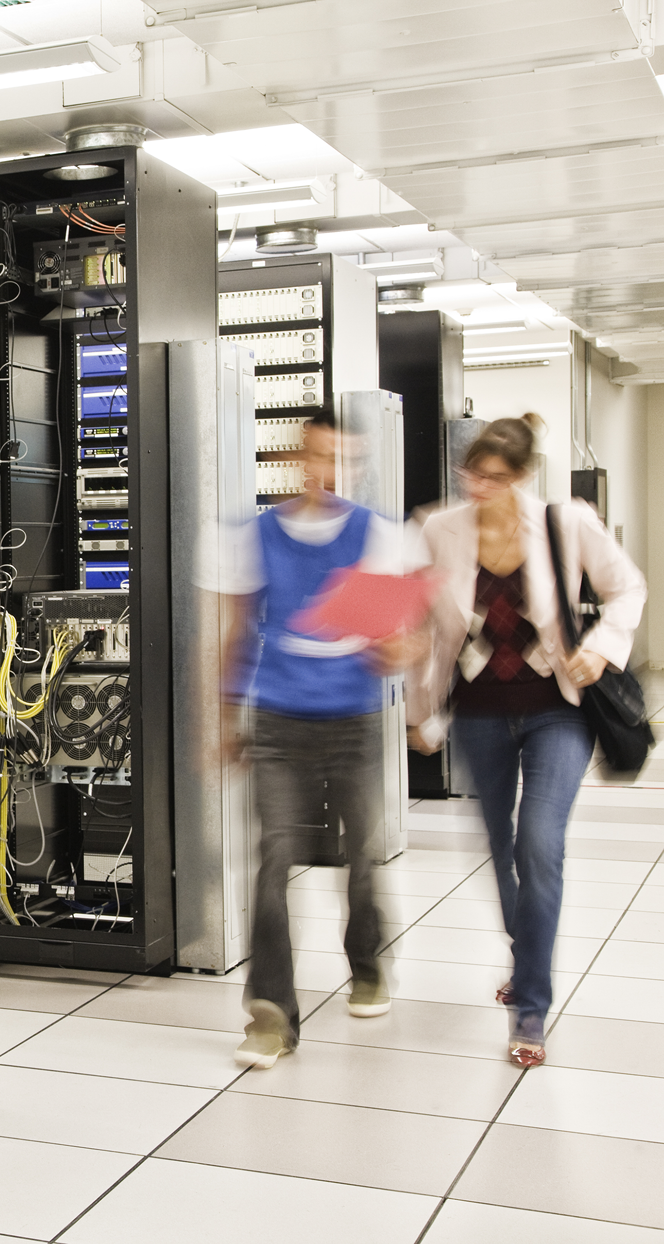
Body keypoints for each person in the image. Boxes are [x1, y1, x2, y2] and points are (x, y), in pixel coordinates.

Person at [408, 415, 645, 1068]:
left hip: (556, 710)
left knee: (539, 844)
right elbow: (423, 626)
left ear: (522, 476)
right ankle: (528, 952)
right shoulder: (438, 529)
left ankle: (531, 1005)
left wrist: (601, 648)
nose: (479, 487)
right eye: (472, 474)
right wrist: (419, 712)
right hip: (479, 713)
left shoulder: (565, 523)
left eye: (495, 478)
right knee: (501, 845)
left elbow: (628, 586)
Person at [211, 407, 409, 1069]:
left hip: (353, 721)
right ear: (297, 458)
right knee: (273, 859)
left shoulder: (376, 534)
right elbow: (236, 632)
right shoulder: (257, 535)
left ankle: (367, 962)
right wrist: (223, 717)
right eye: (319, 455)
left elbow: (397, 639)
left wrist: (397, 650)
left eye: (342, 459)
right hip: (278, 722)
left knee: (363, 855)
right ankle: (270, 1014)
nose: (329, 470)